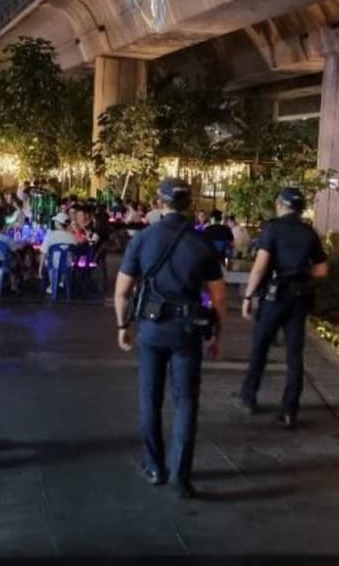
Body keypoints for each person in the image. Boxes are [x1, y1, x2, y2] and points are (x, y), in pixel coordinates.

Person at [114, 178, 226, 499]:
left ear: (159, 202)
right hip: (188, 331)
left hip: (150, 329)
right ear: (189, 204)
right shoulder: (200, 242)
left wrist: (123, 327)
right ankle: (182, 475)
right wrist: (219, 335)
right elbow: (218, 298)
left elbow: (122, 291)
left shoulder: (144, 239)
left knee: (150, 399)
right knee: (186, 402)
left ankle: (155, 466)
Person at [240, 188, 329, 429]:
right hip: (299, 299)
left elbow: (260, 267)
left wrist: (248, 296)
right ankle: (290, 409)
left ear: (280, 204)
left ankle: (249, 396)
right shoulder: (309, 232)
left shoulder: (272, 229)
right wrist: (301, 273)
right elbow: (322, 270)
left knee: (260, 346)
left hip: (273, 297)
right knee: (294, 354)